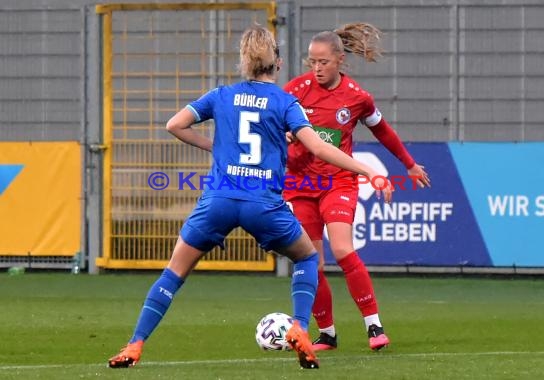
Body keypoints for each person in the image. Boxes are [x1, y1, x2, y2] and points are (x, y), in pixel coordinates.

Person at [107, 25, 393, 370]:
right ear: (278, 62)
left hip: (218, 202)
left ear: (244, 61)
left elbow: (174, 124)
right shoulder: (287, 102)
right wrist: (365, 170)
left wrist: (216, 146)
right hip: (263, 205)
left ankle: (135, 344)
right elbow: (318, 147)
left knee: (173, 273)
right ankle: (301, 328)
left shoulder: (221, 95)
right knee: (305, 259)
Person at [283, 23, 431, 351]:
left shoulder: (357, 98)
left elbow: (384, 131)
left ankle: (374, 326)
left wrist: (408, 163)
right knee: (311, 260)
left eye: (323, 62)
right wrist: (284, 134)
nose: (317, 68)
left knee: (342, 249)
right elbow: (274, 127)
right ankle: (328, 334)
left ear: (339, 60)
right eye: (312, 62)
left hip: (338, 182)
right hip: (299, 184)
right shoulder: (295, 90)